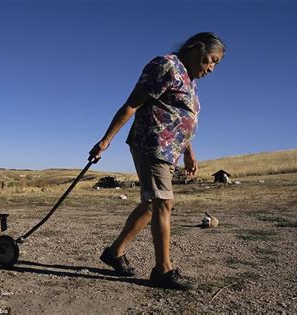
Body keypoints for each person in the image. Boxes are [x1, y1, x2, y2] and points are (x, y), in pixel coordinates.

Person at [89, 32, 226, 291]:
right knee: (163, 202)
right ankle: (163, 270)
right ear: (196, 48)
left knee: (151, 205)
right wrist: (105, 141)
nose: (212, 68)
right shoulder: (166, 66)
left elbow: (181, 119)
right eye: (211, 60)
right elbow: (132, 104)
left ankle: (115, 253)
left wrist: (188, 152)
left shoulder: (190, 80)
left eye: (216, 64)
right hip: (152, 143)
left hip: (168, 150)